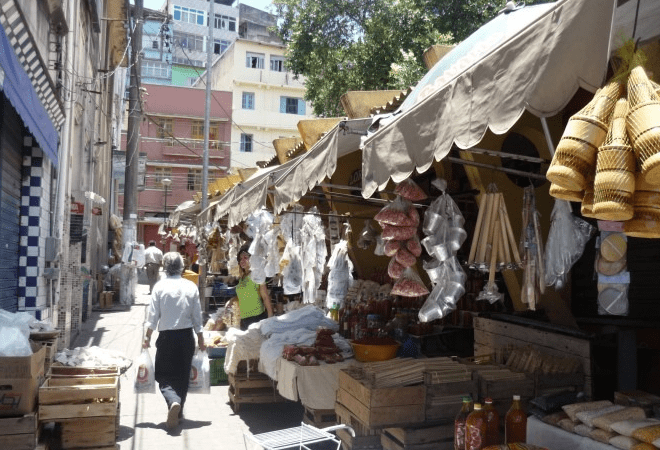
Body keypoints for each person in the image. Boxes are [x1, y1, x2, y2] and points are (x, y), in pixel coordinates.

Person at [143, 252, 206, 430]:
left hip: (167, 338)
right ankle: (178, 410)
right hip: (186, 337)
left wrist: (147, 338)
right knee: (182, 375)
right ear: (182, 266)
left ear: (164, 266)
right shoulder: (190, 286)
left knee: (164, 375)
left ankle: (173, 402)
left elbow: (152, 317)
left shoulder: (159, 287)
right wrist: (201, 339)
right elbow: (197, 317)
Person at [229, 245, 273, 330]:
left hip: (256, 318)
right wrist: (231, 300)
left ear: (252, 259)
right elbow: (242, 296)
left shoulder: (257, 275)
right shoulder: (242, 278)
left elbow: (265, 297)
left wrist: (270, 316)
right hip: (244, 319)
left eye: (245, 257)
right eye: (240, 259)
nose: (242, 260)